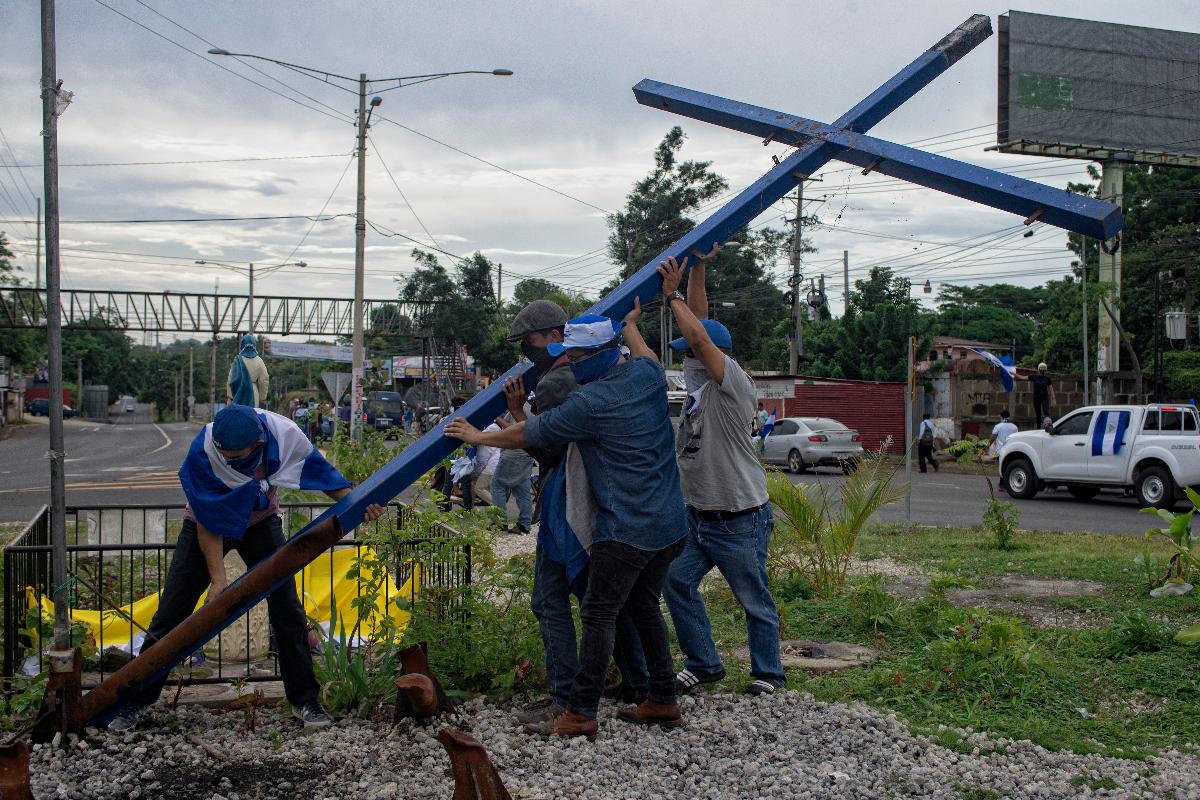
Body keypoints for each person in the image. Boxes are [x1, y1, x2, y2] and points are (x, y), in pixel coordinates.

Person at [446, 304, 686, 739]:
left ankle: (580, 712)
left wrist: (478, 436)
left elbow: (532, 435)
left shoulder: (592, 401)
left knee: (598, 615)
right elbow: (646, 351)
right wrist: (629, 323)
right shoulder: (648, 375)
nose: (570, 367)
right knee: (645, 607)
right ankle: (663, 699)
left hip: (627, 526)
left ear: (595, 356)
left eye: (575, 359)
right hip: (669, 522)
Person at [107, 404, 385, 732]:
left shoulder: (283, 436)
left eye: (238, 457)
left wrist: (357, 500)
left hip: (260, 520)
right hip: (205, 524)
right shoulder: (203, 453)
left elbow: (321, 474)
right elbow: (208, 523)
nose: (230, 462)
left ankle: (304, 699)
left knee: (287, 609)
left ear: (259, 444)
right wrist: (217, 579)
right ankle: (135, 700)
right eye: (226, 456)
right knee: (171, 612)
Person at [501, 300, 649, 723]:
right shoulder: (614, 371)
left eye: (529, 342)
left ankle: (565, 698)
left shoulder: (555, 383)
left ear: (553, 336)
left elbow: (549, 452)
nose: (527, 352)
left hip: (567, 503)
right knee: (602, 602)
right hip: (605, 503)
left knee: (549, 601)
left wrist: (516, 415)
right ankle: (640, 684)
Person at [658, 249, 786, 698]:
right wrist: (699, 267)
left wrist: (670, 296)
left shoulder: (732, 385)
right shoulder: (698, 386)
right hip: (699, 517)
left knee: (753, 598)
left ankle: (768, 673)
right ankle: (705, 664)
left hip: (739, 517)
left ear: (717, 357)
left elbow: (700, 337)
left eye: (694, 353)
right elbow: (700, 323)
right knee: (676, 581)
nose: (688, 360)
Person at [227, 333, 270, 408]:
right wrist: (262, 397)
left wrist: (230, 396)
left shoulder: (237, 360)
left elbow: (231, 379)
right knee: (251, 416)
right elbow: (264, 380)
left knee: (238, 416)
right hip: (253, 393)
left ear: (242, 345)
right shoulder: (259, 360)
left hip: (238, 392)